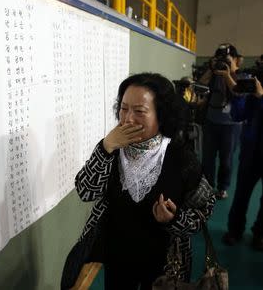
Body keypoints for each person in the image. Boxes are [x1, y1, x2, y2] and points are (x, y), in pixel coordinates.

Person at [62, 73, 216, 290]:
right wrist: (105, 148)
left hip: (165, 265)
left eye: (139, 111)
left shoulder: (180, 157)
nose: (128, 119)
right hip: (117, 258)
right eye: (123, 108)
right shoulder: (113, 149)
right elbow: (86, 191)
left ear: (161, 115)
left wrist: (174, 219)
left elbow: (205, 207)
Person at [222, 73, 263, 250]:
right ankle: (235, 230)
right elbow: (238, 116)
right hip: (251, 153)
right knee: (241, 194)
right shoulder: (253, 90)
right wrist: (238, 97)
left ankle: (260, 234)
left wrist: (262, 98)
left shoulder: (259, 94)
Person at [198, 43, 242, 199]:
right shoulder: (214, 72)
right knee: (208, 158)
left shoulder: (240, 74)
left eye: (226, 59)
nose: (223, 62)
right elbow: (201, 84)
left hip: (231, 125)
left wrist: (229, 72)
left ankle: (223, 188)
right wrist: (211, 68)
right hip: (211, 121)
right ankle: (208, 186)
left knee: (227, 159)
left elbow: (238, 92)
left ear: (236, 60)